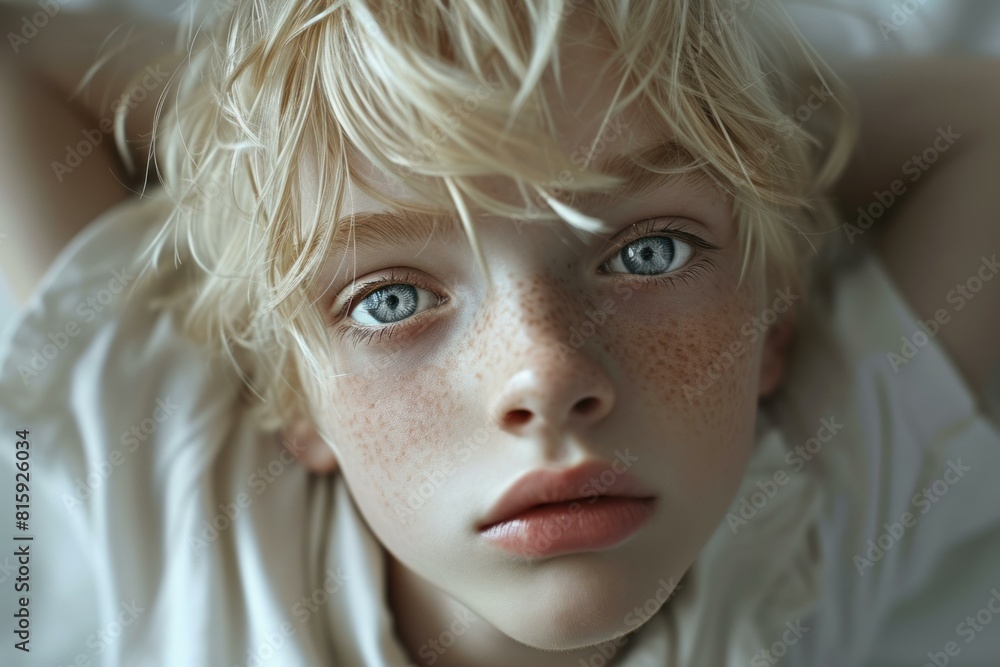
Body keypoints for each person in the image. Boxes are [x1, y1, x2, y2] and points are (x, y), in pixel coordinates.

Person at [1, 1, 998, 665]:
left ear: (770, 321)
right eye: (388, 300)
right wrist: (299, 128)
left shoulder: (802, 531)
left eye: (648, 250)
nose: (546, 373)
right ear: (294, 399)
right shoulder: (182, 496)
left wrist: (722, 110)